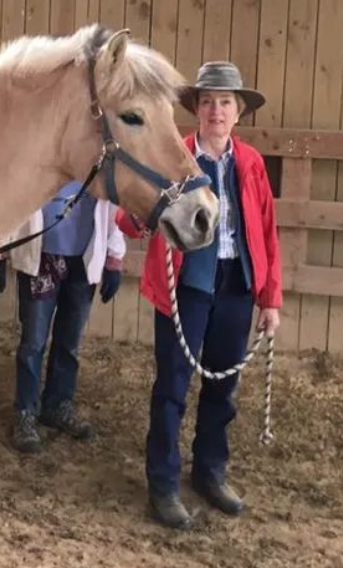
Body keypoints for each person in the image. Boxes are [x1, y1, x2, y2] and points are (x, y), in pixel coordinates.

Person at [118, 61, 282, 530]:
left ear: (238, 113)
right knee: (172, 386)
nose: (216, 110)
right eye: (207, 101)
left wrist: (270, 299)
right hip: (186, 286)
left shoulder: (250, 164)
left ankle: (210, 470)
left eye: (225, 102)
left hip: (236, 285)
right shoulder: (177, 158)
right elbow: (132, 217)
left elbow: (268, 232)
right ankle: (163, 482)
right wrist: (137, 217)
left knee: (221, 389)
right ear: (196, 110)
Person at [9, 183, 126, 453]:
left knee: (69, 340)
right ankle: (25, 412)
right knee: (33, 342)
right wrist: (5, 249)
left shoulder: (99, 156)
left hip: (83, 259)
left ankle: (58, 404)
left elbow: (114, 205)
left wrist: (114, 257)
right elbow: (15, 195)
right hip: (42, 257)